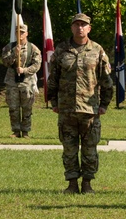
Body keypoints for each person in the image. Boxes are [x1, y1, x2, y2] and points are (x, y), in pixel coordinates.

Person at [47, 13, 114, 194]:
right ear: (72, 28)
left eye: (83, 25)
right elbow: (53, 79)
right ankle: (71, 184)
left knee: (89, 150)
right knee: (69, 149)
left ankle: (87, 183)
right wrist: (53, 101)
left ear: (89, 28)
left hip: (90, 109)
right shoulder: (61, 51)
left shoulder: (98, 50)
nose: (80, 28)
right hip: (67, 109)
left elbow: (107, 81)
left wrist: (104, 105)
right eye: (76, 25)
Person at [1, 23, 42, 138]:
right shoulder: (9, 47)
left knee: (27, 107)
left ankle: (25, 131)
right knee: (13, 108)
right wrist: (15, 54)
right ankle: (15, 130)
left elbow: (37, 65)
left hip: (26, 82)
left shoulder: (33, 48)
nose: (20, 34)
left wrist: (25, 70)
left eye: (22, 32)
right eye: (18, 32)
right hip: (12, 81)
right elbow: (5, 62)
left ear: (27, 34)